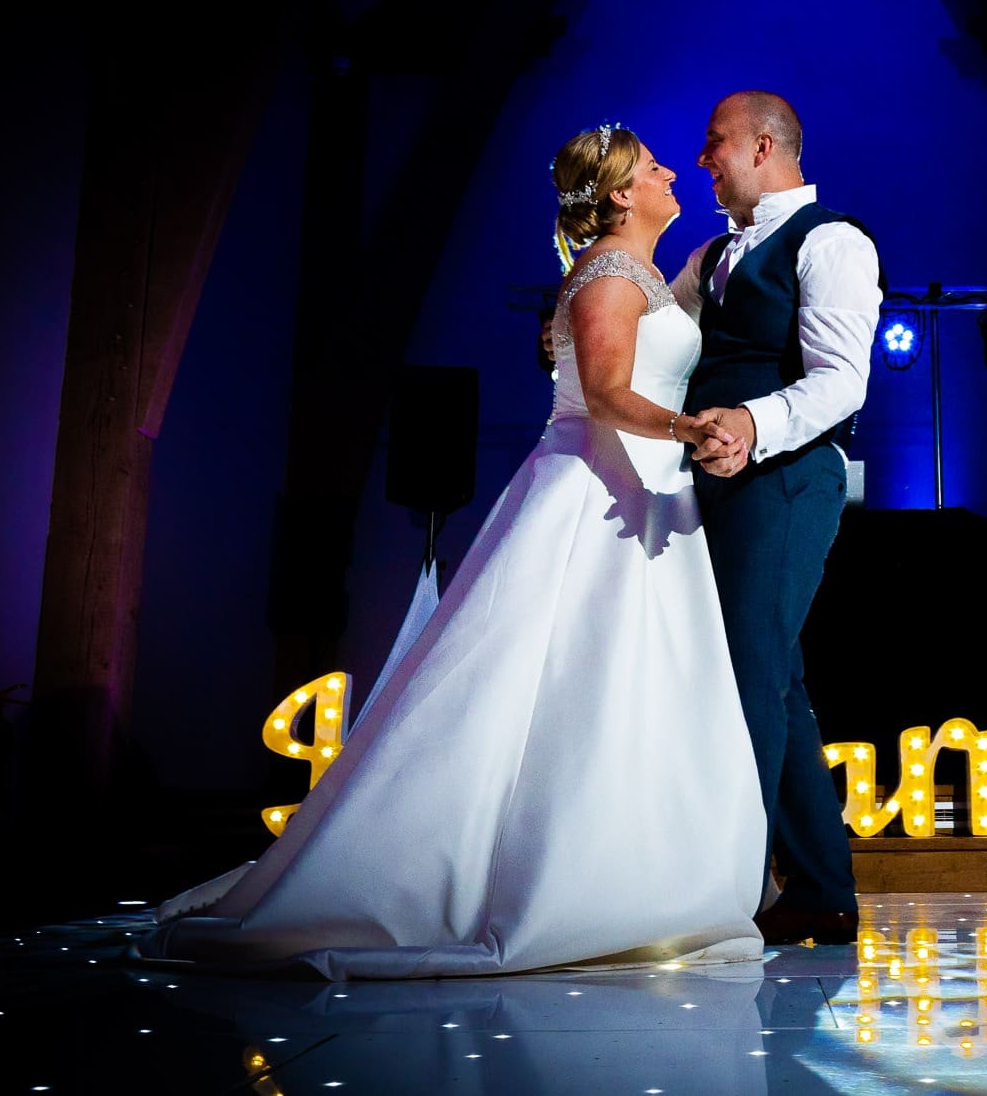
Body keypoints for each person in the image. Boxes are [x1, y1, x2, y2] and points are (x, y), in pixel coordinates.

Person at [135, 124, 767, 977]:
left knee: (629, 678)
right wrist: (686, 427)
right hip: (596, 489)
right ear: (622, 192)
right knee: (553, 677)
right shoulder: (612, 274)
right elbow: (609, 392)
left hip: (645, 490)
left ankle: (632, 862)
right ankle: (502, 875)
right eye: (654, 168)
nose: (670, 174)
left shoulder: (646, 273)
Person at [668, 91, 882, 946]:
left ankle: (728, 891)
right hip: (713, 481)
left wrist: (753, 426)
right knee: (776, 680)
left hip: (789, 478)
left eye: (714, 142)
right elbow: (656, 338)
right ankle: (823, 891)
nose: (702, 160)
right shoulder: (714, 254)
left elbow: (842, 380)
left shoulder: (832, 242)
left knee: (749, 676)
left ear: (763, 146)